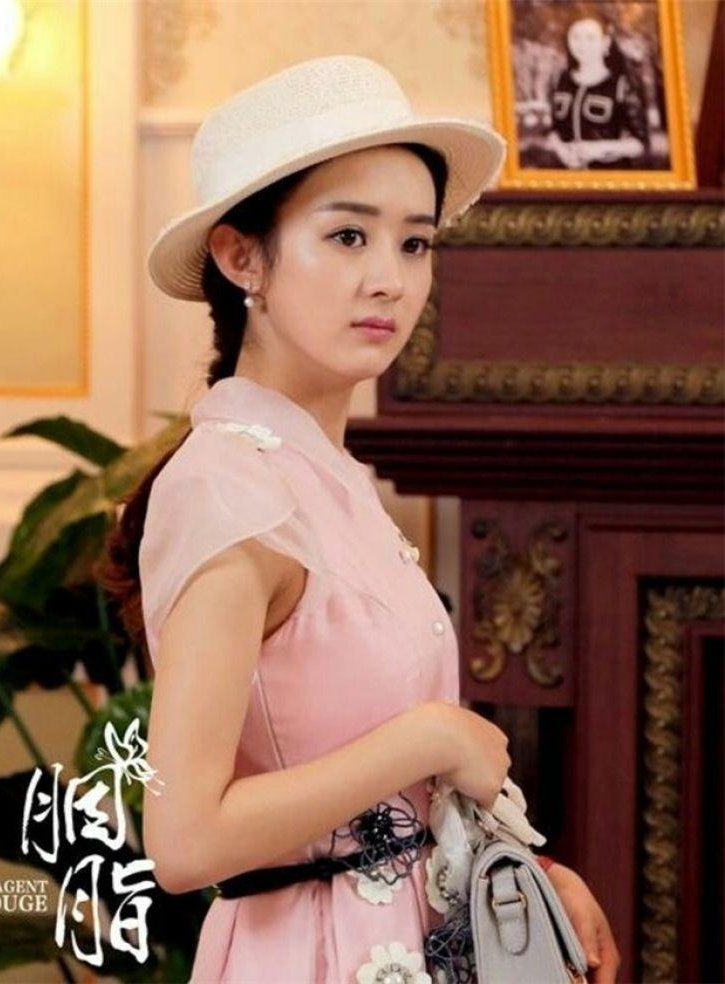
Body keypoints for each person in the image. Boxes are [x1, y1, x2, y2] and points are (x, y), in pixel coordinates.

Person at [99, 55, 620, 983]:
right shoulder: (228, 488)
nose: (389, 279)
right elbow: (182, 840)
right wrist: (427, 739)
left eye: (415, 244)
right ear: (242, 257)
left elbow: (389, 803)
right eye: (348, 236)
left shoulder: (325, 476)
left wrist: (522, 875)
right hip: (303, 955)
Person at [538, 14, 650, 170]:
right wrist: (561, 150)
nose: (582, 44)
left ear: (605, 42)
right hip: (565, 176)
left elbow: (640, 143)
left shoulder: (622, 84)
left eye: (590, 37)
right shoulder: (559, 80)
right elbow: (552, 130)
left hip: (610, 176)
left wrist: (597, 149)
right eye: (575, 36)